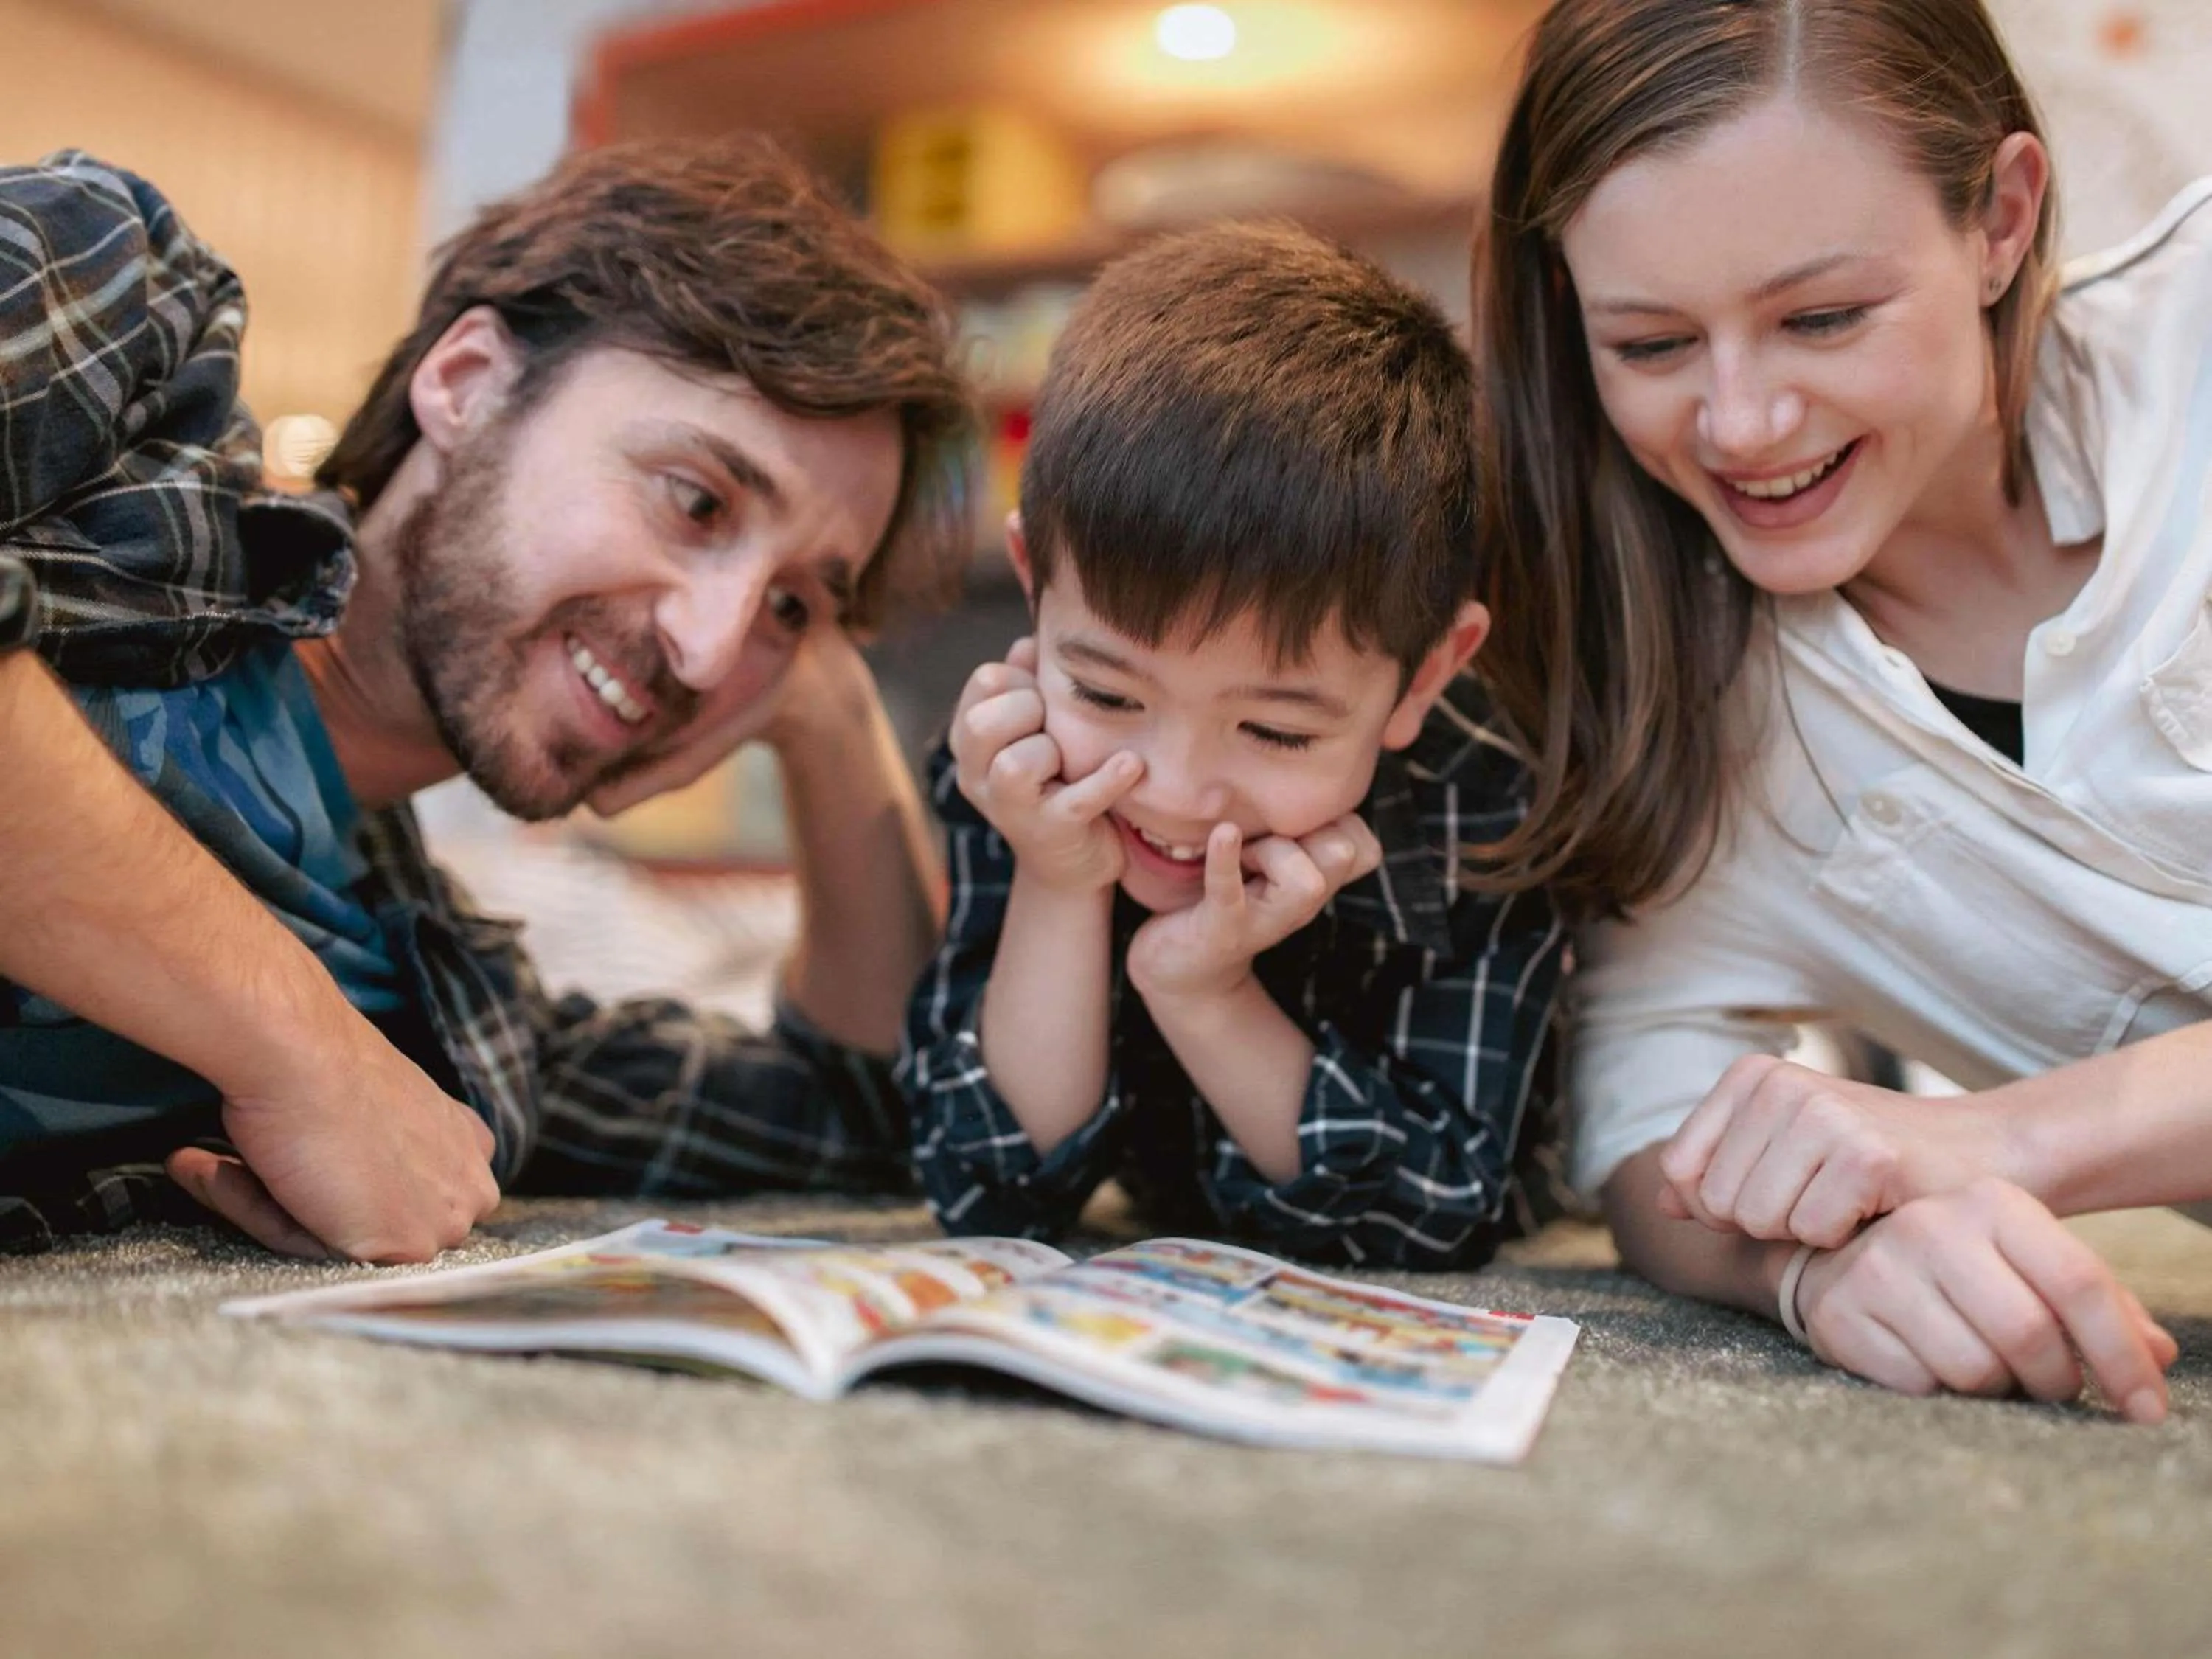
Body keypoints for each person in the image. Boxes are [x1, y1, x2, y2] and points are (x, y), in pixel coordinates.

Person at [0, 141, 972, 1259]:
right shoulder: (123, 302)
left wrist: (832, 712)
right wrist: (298, 1044)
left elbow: (874, 1110)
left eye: (789, 607)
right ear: (466, 383)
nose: (710, 651)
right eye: (696, 502)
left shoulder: (453, 1032)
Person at [1470, 0, 2207, 1418]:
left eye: (1822, 317)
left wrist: (1997, 1141)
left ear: (2000, 218)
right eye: (1652, 344)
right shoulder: (1684, 712)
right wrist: (1820, 1266)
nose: (1741, 424)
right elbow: (1643, 1114)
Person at [900, 224, 1568, 1267]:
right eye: (1108, 689)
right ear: (1033, 585)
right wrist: (1057, 878)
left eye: (1275, 728)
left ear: (1426, 675)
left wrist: (1205, 992)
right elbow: (990, 1192)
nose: (1172, 790)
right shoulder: (1024, 766)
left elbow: (1438, 1210)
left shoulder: (1481, 801)